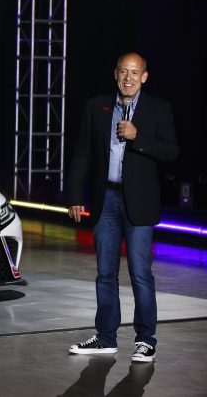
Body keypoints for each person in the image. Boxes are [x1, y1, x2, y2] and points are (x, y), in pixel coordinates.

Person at [66, 52, 179, 362]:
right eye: (123, 72)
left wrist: (137, 136)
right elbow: (81, 154)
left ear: (144, 77)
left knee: (141, 273)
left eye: (135, 72)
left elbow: (171, 152)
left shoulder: (159, 109)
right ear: (116, 74)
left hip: (139, 204)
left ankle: (146, 339)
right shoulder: (96, 106)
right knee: (105, 274)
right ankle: (105, 337)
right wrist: (74, 195)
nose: (128, 78)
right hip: (106, 199)